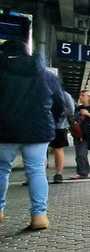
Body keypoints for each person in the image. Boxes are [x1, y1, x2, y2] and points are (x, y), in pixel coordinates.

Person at [0, 39, 65, 230]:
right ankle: (39, 216)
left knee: (1, 169)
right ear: (27, 52)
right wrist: (49, 122)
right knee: (36, 170)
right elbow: (59, 105)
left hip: (4, 129)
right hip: (38, 130)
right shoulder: (47, 75)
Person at [49, 88, 75, 183]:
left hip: (59, 127)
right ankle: (38, 174)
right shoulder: (40, 92)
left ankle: (58, 174)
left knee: (58, 150)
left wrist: (57, 112)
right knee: (40, 151)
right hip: (43, 126)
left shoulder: (64, 95)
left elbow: (71, 110)